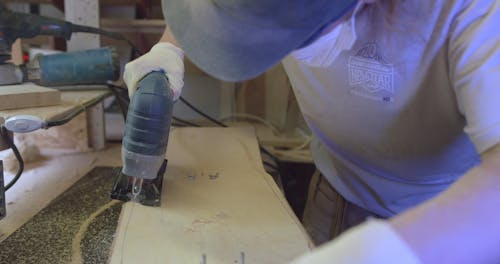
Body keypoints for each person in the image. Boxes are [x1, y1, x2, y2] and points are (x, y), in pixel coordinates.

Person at [123, 0, 500, 263]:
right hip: (335, 190)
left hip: (455, 217)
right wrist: (169, 49)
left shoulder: (477, 10)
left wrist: (384, 252)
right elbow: (210, 9)